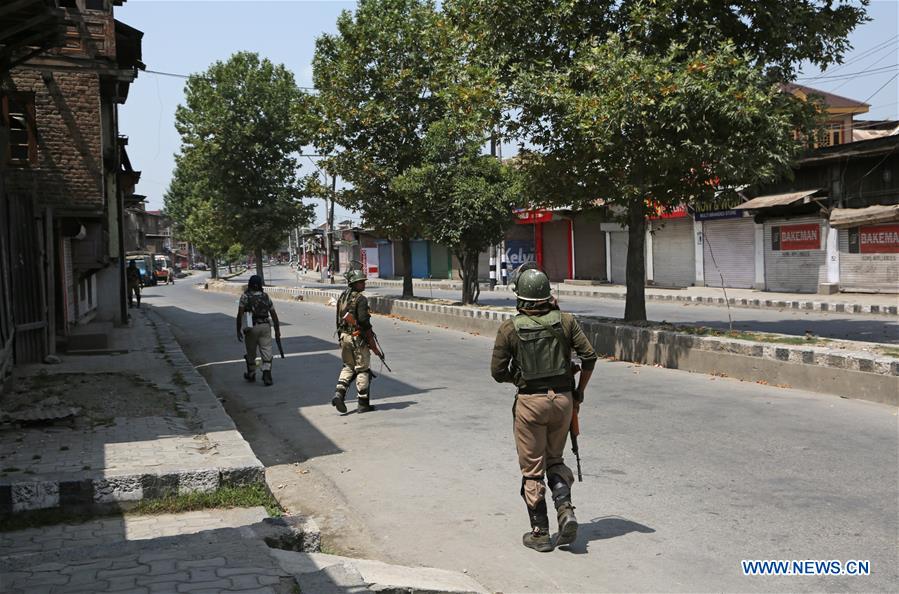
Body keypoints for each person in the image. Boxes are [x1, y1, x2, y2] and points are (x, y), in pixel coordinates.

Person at [491, 265, 597, 552]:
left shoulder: (509, 328)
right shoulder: (566, 321)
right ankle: (566, 511)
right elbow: (589, 357)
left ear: (520, 298)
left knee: (533, 469)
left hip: (530, 403)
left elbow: (497, 371)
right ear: (548, 295)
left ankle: (540, 534)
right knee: (555, 459)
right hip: (563, 401)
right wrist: (579, 392)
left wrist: (520, 376)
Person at [332, 269, 375, 413]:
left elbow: (338, 319)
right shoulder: (361, 299)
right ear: (354, 284)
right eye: (360, 282)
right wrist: (370, 338)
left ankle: (339, 393)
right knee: (362, 369)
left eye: (363, 281)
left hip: (344, 336)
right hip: (358, 338)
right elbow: (363, 321)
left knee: (348, 367)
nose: (363, 284)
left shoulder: (343, 297)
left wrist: (340, 338)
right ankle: (363, 404)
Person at [235, 275, 281, 386]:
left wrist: (238, 330)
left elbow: (240, 314)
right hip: (265, 326)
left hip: (251, 327)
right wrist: (277, 329)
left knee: (251, 352)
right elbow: (274, 314)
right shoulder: (265, 296)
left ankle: (251, 373)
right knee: (266, 351)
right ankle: (266, 372)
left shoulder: (245, 297)